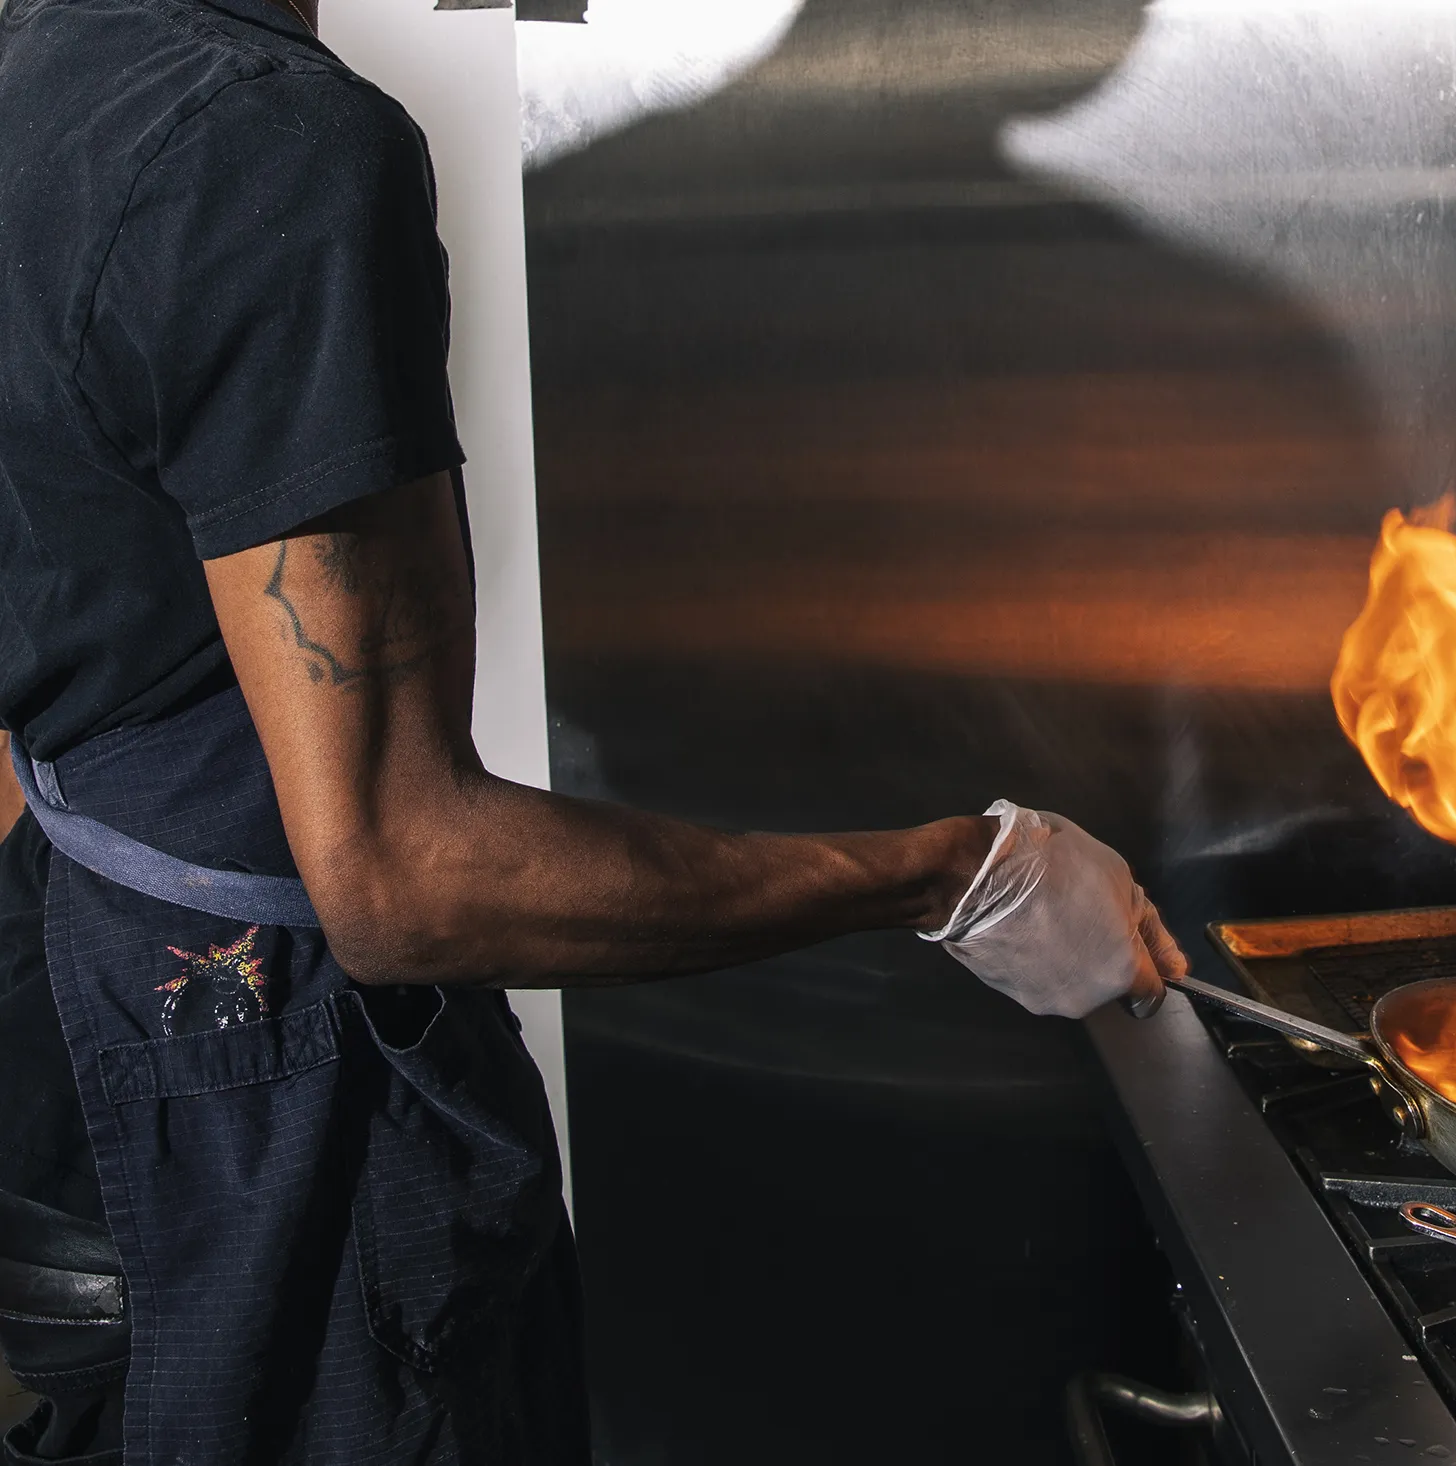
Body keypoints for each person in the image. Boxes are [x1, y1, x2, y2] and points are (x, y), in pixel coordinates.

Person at [0, 0, 1187, 1459]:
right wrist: (943, 874)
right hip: (266, 1114)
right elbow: (405, 879)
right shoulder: (266, 147)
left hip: (85, 1029)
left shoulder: (43, 70)